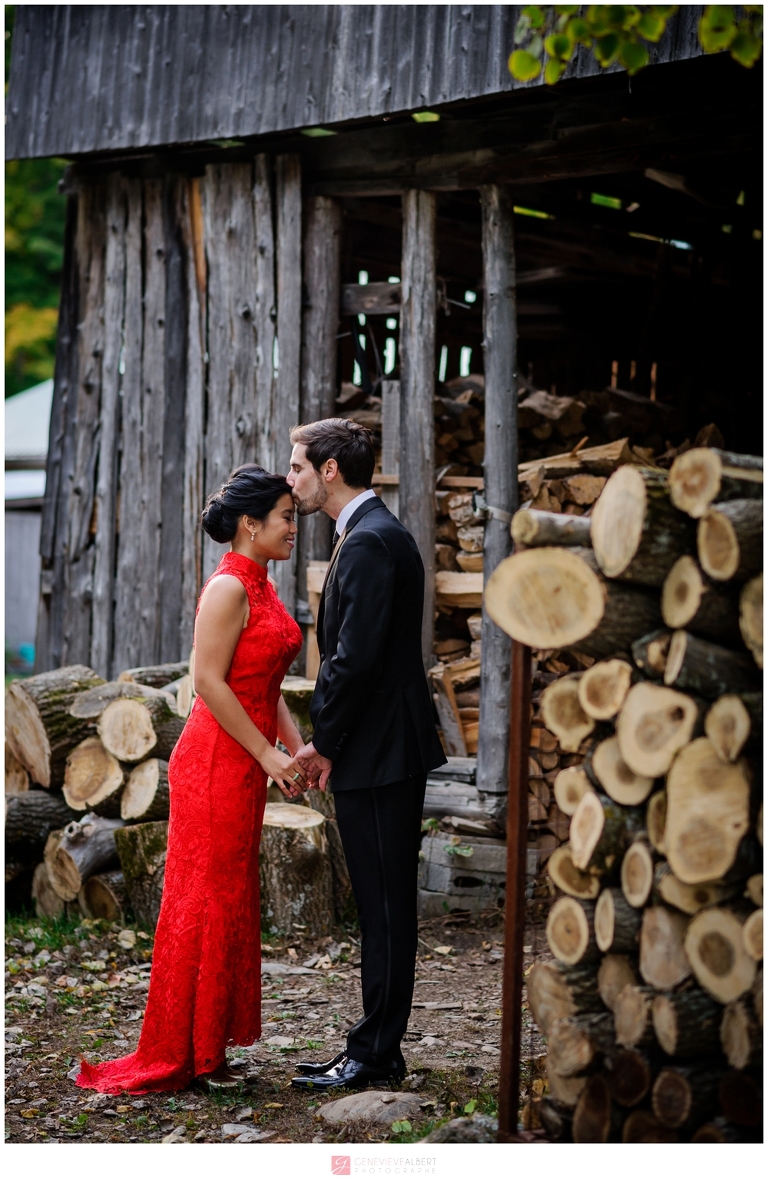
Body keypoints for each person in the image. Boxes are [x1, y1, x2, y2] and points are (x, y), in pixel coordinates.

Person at [76, 465, 307, 1094]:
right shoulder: (228, 588)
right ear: (250, 524)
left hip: (246, 754)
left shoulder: (263, 585)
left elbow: (263, 683)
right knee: (206, 899)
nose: (295, 527)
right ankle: (193, 1054)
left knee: (230, 895)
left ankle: (212, 1043)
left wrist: (295, 749)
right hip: (215, 759)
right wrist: (266, 754)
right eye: (287, 516)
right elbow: (207, 683)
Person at [286, 419, 446, 1092]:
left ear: (328, 471)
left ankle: (375, 1054)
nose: (288, 476)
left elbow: (354, 661)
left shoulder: (374, 541)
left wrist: (322, 741)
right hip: (373, 751)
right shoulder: (369, 534)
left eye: (296, 465)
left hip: (381, 755)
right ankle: (376, 1045)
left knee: (384, 909)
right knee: (379, 907)